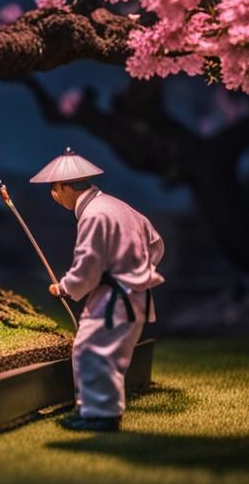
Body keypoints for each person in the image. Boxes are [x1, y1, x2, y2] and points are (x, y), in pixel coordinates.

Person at [31, 147, 164, 432]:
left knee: (93, 351)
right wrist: (139, 269)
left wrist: (65, 287)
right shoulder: (117, 206)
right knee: (97, 351)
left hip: (116, 297)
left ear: (66, 187)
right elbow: (155, 242)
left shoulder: (94, 215)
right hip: (130, 293)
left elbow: (88, 264)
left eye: (55, 188)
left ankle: (100, 415)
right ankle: (94, 410)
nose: (54, 195)